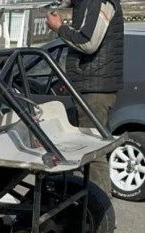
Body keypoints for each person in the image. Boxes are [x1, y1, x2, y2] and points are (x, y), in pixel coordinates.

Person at [46, 0, 124, 195]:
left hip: (95, 90)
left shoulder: (97, 1)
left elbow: (88, 43)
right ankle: (87, 204)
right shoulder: (86, 4)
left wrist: (59, 28)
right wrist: (72, 79)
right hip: (89, 85)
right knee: (87, 149)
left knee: (93, 152)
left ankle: (100, 207)